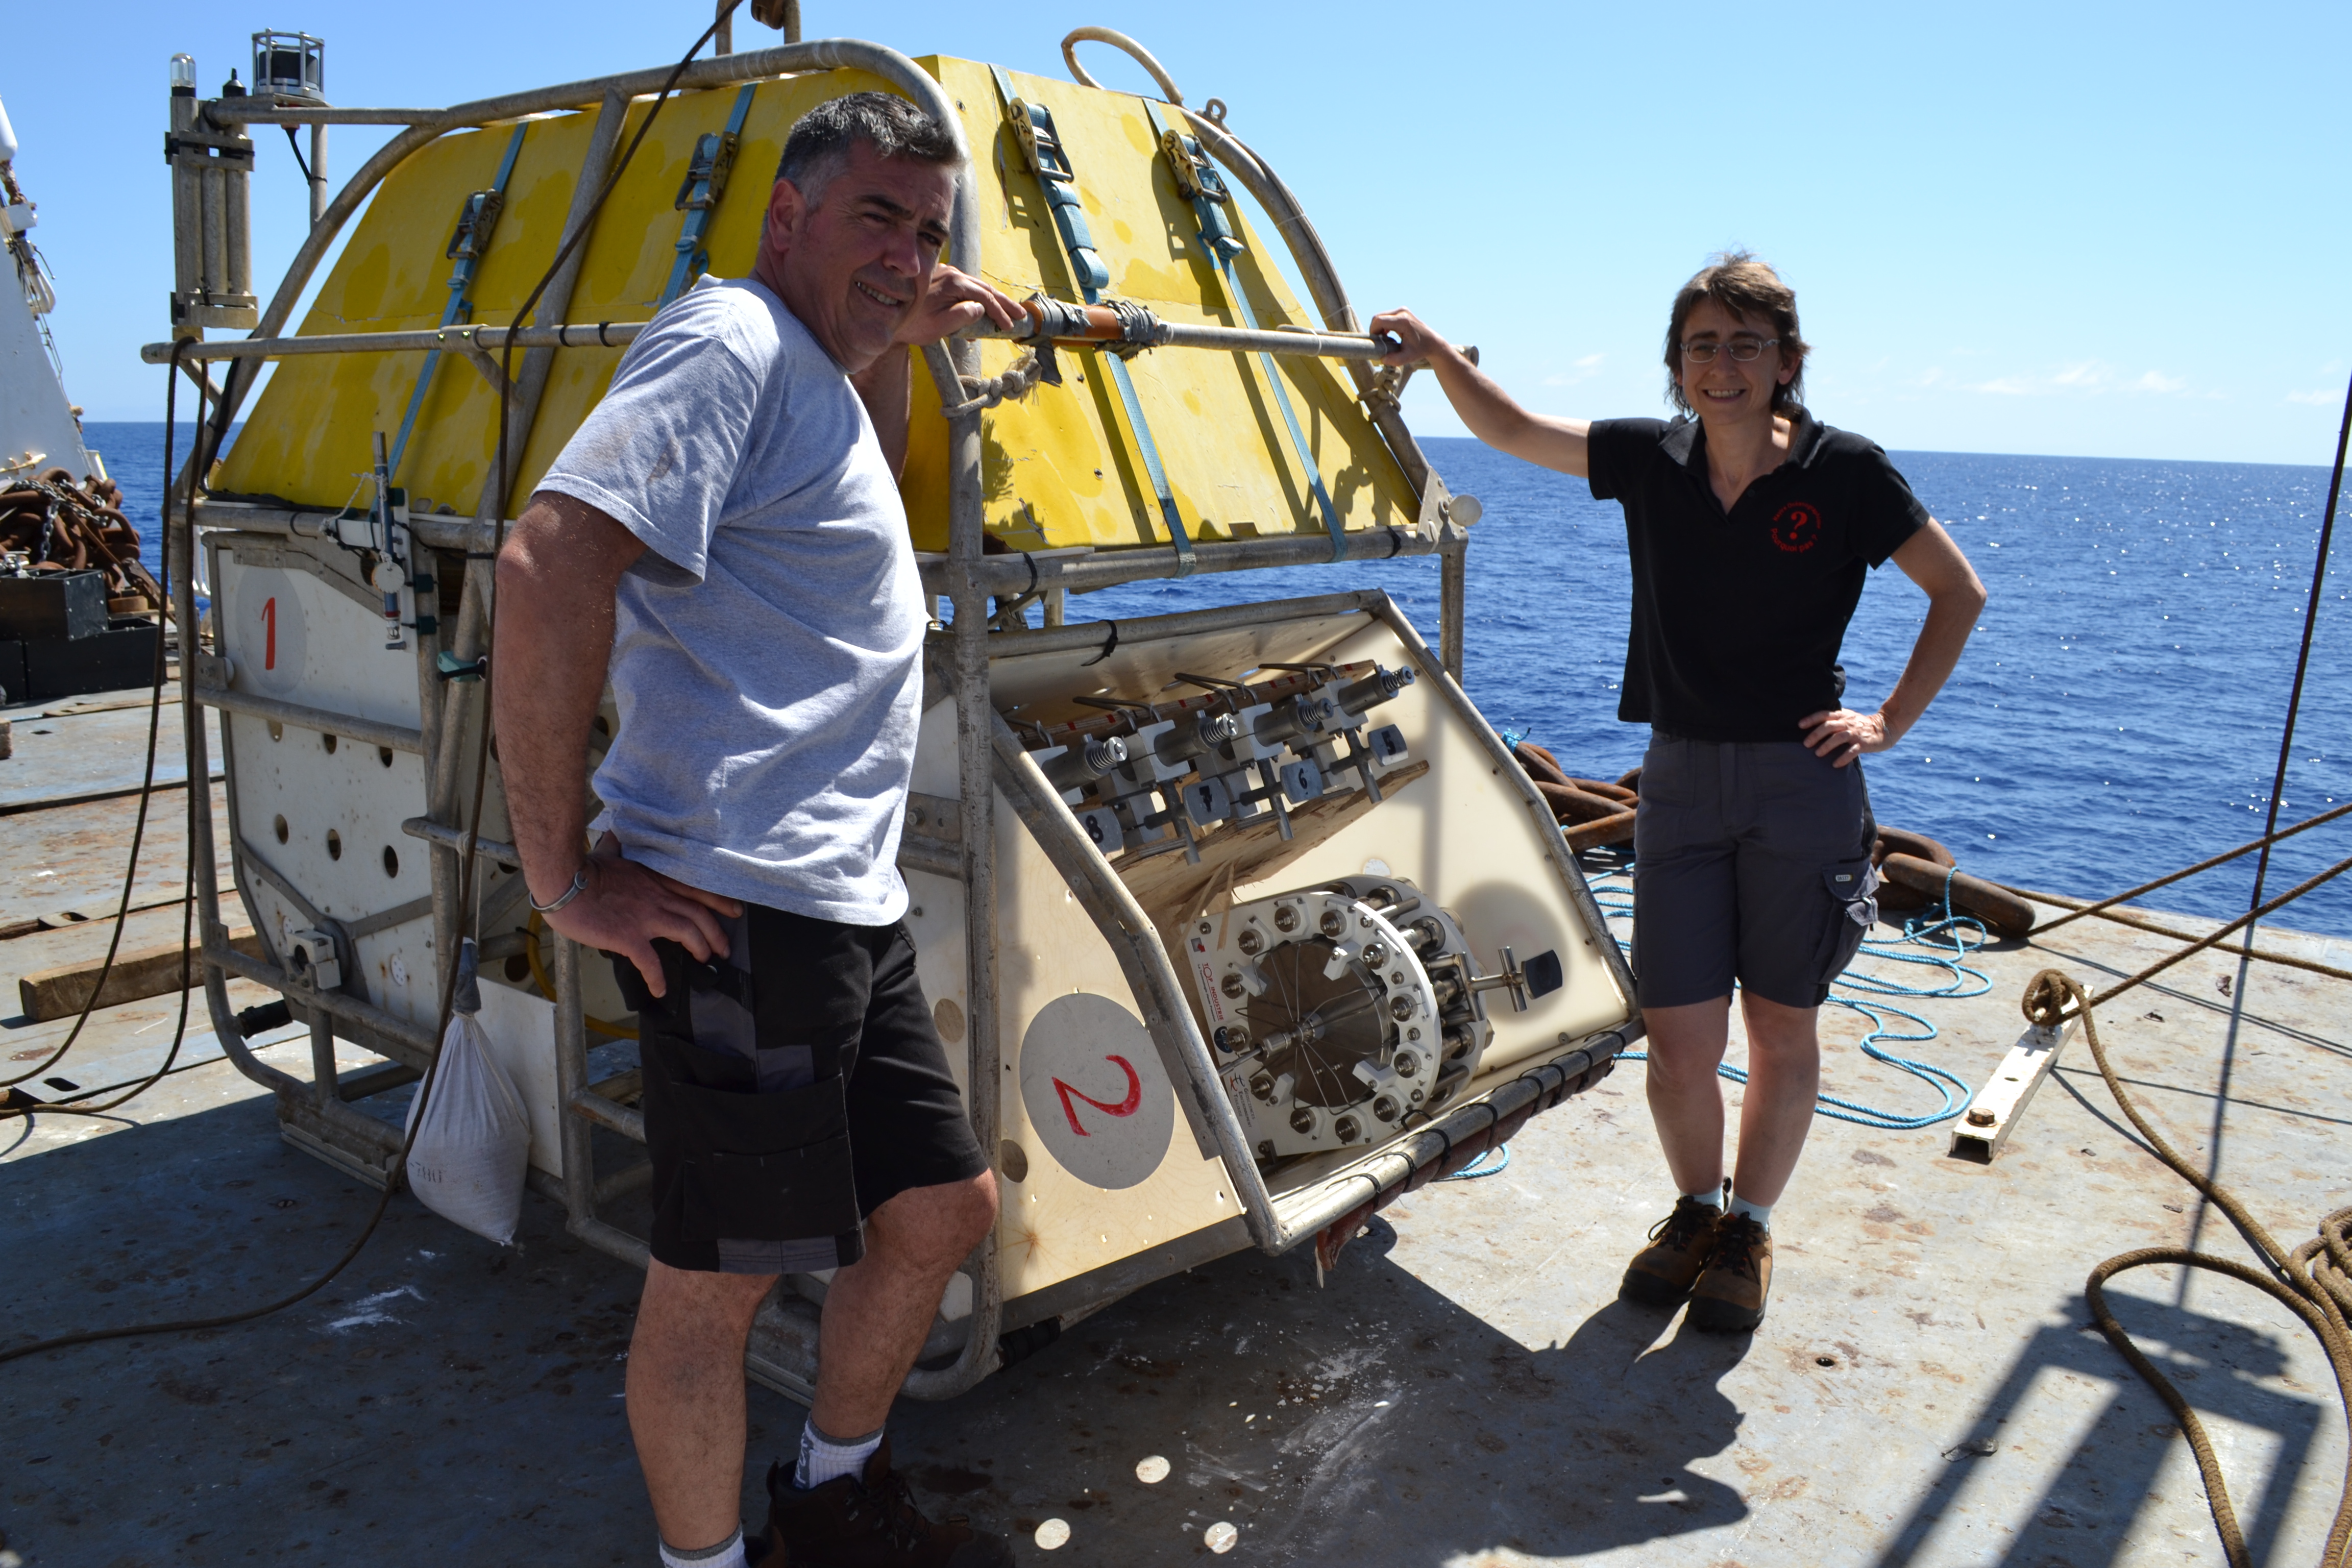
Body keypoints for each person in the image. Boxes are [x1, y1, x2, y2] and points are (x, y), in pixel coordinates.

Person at [495, 94, 1022, 1568]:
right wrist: (560, 877)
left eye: (929, 232)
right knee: (713, 1286)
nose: (912, 253)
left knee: (936, 1209)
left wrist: (903, 330)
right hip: (736, 909)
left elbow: (856, 503)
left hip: (840, 905)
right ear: (785, 217)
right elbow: (548, 566)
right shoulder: (727, 343)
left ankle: (833, 1492)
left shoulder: (821, 374)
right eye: (878, 219)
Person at [1369, 253, 1986, 1334]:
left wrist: (1887, 722)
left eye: (1747, 343)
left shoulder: (1849, 473)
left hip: (1804, 781)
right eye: (1702, 343)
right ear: (1677, 363)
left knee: (1782, 1029)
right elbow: (1515, 432)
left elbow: (1956, 590)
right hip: (1683, 781)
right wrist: (1431, 359)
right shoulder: (1649, 460)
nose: (1723, 363)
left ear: (1789, 361)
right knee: (1679, 1039)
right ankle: (1693, 1212)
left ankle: (1749, 1229)